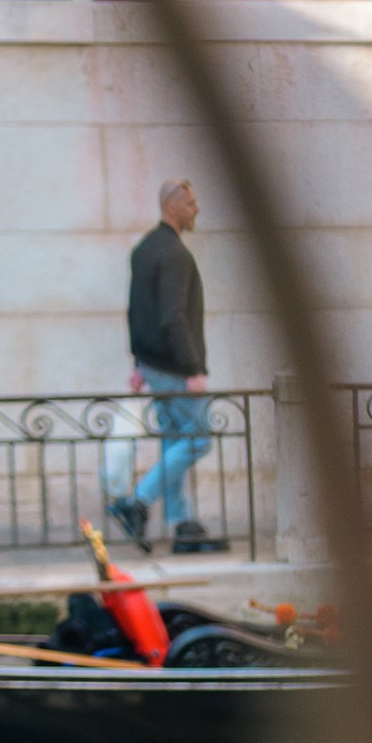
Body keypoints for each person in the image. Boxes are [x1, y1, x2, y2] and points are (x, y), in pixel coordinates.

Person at [111, 181, 225, 555]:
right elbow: (172, 317)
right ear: (172, 207)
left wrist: (138, 364)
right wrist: (194, 369)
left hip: (153, 365)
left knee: (175, 441)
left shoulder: (144, 249)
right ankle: (137, 502)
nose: (196, 209)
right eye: (190, 203)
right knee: (198, 439)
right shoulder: (175, 254)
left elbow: (135, 311)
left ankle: (182, 525)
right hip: (175, 368)